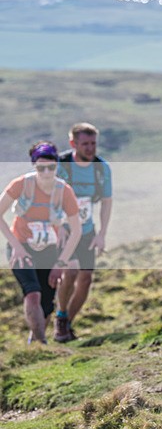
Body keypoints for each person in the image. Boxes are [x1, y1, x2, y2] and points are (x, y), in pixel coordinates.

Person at [0, 142, 81, 344]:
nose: (46, 172)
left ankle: (35, 340)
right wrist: (16, 247)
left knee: (46, 302)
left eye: (50, 167)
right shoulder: (21, 184)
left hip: (49, 249)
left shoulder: (64, 191)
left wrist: (60, 263)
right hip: (21, 246)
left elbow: (76, 230)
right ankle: (41, 345)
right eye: (40, 167)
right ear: (34, 166)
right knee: (32, 293)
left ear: (56, 166)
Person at [55, 122, 113, 342]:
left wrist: (102, 234)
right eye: (85, 144)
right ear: (73, 144)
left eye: (93, 143)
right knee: (70, 272)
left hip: (87, 229)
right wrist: (57, 226)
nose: (90, 148)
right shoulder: (60, 164)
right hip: (64, 230)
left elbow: (106, 201)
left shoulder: (101, 167)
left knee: (86, 279)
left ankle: (67, 322)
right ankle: (60, 316)